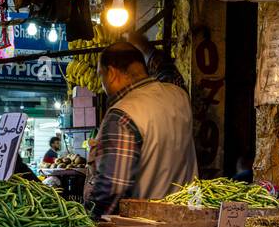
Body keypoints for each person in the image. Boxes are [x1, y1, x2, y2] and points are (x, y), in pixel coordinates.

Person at [83, 42, 197, 217]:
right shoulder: (179, 94)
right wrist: (144, 44)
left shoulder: (123, 113)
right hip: (188, 219)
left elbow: (112, 188)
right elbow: (169, 72)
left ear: (112, 73)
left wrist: (88, 222)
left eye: (101, 76)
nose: (103, 85)